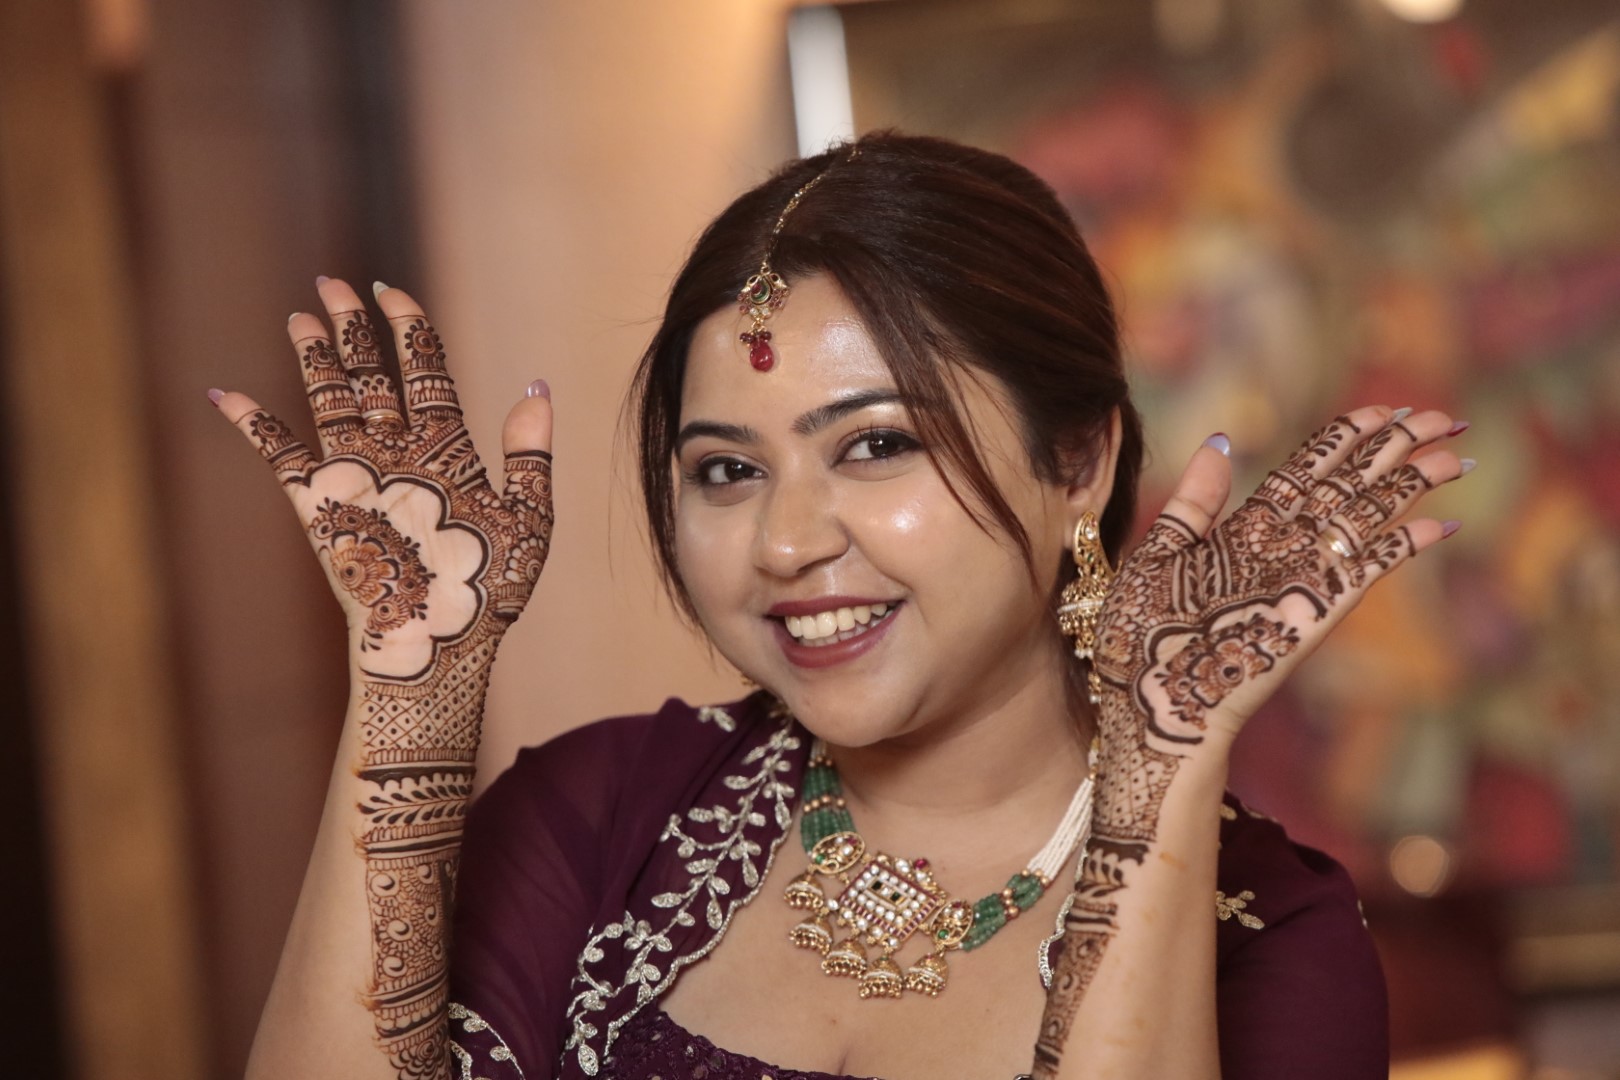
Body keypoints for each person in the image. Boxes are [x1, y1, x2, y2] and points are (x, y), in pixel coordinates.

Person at [217, 133, 1470, 1080]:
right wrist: (411, 699)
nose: (786, 541)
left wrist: (1159, 786)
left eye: (875, 446)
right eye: (727, 470)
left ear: (1079, 463)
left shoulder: (1265, 937)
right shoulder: (599, 822)